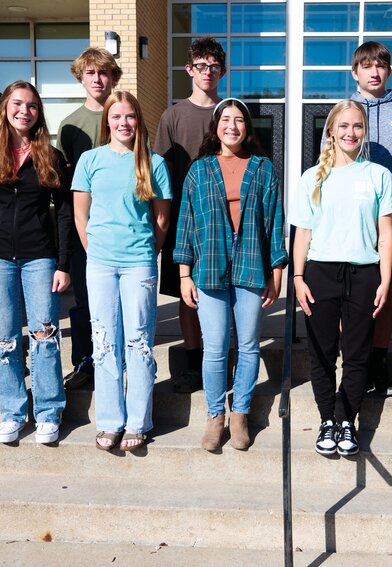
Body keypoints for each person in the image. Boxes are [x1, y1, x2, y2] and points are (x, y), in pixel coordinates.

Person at [174, 98, 287, 452]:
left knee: (250, 344)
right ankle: (214, 416)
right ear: (216, 126)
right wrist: (183, 275)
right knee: (215, 347)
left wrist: (278, 270)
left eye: (240, 120)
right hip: (208, 268)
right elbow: (187, 225)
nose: (233, 126)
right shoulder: (199, 170)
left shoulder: (263, 168)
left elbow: (273, 222)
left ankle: (240, 414)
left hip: (252, 266)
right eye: (226, 119)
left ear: (247, 128)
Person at [0, 81, 73, 445]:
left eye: (31, 105)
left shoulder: (51, 156)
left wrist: (63, 264)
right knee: (7, 339)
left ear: (38, 113)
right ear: (5, 109)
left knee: (45, 336)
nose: (24, 111)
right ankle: (12, 413)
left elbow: (64, 213)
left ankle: (48, 412)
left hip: (40, 258)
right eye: (17, 104)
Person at [291, 100, 392, 457]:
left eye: (357, 126)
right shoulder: (312, 177)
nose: (350, 133)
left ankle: (346, 420)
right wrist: (298, 276)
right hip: (321, 273)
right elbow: (302, 233)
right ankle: (326, 420)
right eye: (344, 126)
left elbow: (386, 233)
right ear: (332, 131)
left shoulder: (378, 175)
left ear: (363, 131)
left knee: (357, 354)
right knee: (322, 353)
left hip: (365, 273)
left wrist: (386, 280)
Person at [72, 91, 171, 452]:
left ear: (138, 120)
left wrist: (148, 249)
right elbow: (80, 215)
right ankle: (111, 420)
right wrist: (93, 251)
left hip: (138, 263)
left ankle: (138, 421)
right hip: (99, 262)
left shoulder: (153, 163)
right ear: (107, 121)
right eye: (116, 117)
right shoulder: (89, 160)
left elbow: (161, 218)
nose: (123, 123)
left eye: (129, 116)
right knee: (104, 341)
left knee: (139, 341)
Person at [154, 37, 226, 394]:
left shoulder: (228, 112)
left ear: (222, 71)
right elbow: (159, 174)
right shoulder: (173, 115)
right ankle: (194, 363)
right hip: (184, 220)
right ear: (189, 70)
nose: (207, 72)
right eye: (201, 65)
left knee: (221, 292)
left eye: (213, 66)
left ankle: (219, 359)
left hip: (222, 223)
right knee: (188, 295)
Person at [349, 41, 392, 398]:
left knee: (384, 295)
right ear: (355, 72)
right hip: (353, 219)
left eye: (380, 66)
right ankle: (354, 361)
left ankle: (378, 361)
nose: (374, 72)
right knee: (353, 296)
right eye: (367, 66)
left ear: (389, 72)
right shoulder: (345, 112)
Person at [56, 47, 123, 391]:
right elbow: (68, 187)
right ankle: (85, 362)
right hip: (88, 225)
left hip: (123, 226)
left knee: (120, 302)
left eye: (104, 73)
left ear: (113, 77)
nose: (98, 79)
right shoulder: (70, 126)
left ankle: (119, 360)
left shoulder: (127, 114)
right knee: (84, 300)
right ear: (81, 77)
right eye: (91, 73)